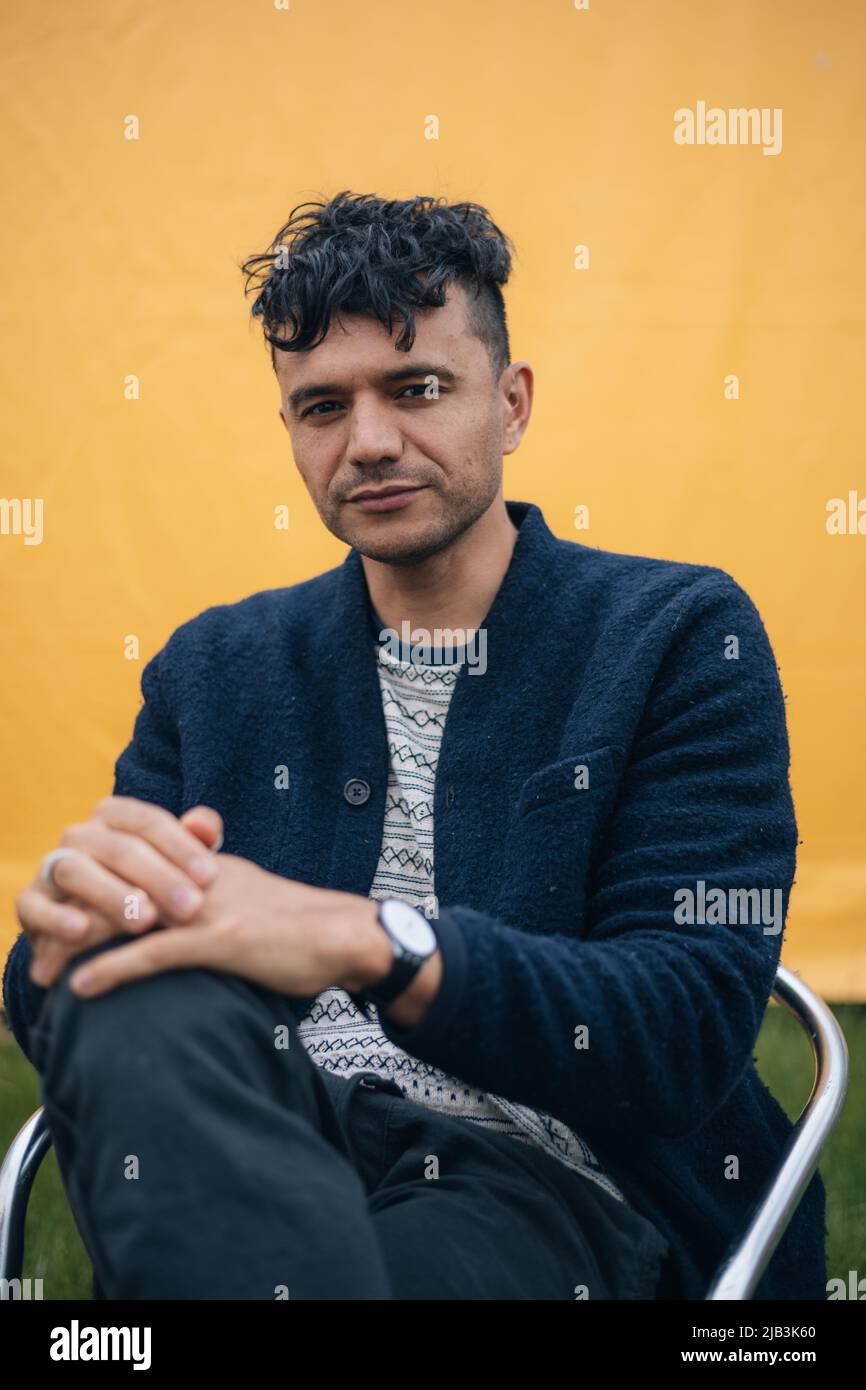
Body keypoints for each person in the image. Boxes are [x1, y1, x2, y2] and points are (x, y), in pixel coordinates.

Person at [3, 192, 826, 1300]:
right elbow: (61, 998)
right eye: (320, 407)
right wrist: (81, 913)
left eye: (417, 388)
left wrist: (368, 939)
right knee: (127, 985)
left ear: (512, 403)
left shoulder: (672, 636)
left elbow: (680, 1029)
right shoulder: (216, 667)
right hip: (260, 1136)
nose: (369, 441)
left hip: (543, 1177)